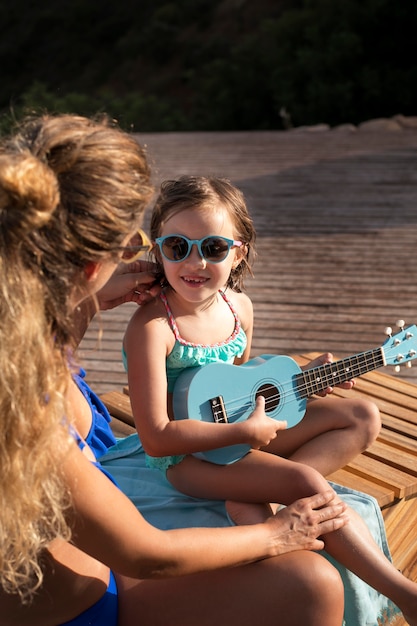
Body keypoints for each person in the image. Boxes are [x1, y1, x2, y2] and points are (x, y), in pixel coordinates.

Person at [0, 113, 354, 626]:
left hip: (95, 546)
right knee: (314, 583)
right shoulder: (23, 407)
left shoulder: (26, 327)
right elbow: (147, 555)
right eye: (142, 245)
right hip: (86, 606)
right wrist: (281, 533)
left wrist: (89, 301)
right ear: (91, 263)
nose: (137, 258)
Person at [122, 174, 417, 624]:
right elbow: (158, 439)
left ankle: (259, 492)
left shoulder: (238, 307)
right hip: (186, 461)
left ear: (238, 250)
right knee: (306, 484)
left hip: (236, 436)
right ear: (159, 248)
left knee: (361, 414)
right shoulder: (153, 329)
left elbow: (233, 384)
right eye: (178, 247)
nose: (194, 262)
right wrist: (245, 432)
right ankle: (407, 596)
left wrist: (297, 383)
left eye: (213, 248)